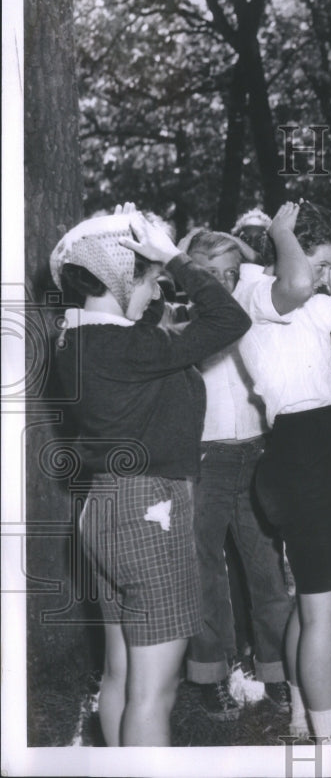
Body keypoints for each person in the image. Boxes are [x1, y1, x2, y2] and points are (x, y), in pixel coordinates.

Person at [51, 207, 251, 745]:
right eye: (147, 280)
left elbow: (149, 318)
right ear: (119, 279)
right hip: (149, 513)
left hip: (104, 507)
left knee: (120, 675)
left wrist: (127, 239)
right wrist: (175, 257)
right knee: (153, 694)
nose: (154, 291)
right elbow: (231, 321)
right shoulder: (132, 346)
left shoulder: (76, 338)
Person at [233, 200, 331, 742]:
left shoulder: (305, 302)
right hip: (300, 447)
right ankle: (330, 742)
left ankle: (304, 715)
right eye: (321, 262)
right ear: (289, 252)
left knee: (309, 598)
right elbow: (297, 283)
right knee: (324, 608)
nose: (325, 275)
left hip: (319, 443)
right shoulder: (258, 293)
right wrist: (284, 234)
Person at [177, 228, 294, 721]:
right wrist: (192, 267)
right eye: (211, 275)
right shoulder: (178, 323)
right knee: (205, 570)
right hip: (203, 458)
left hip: (255, 452)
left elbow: (265, 270)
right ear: (191, 277)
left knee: (267, 567)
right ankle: (210, 675)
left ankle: (276, 673)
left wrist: (238, 256)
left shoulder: (250, 307)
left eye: (230, 273)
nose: (225, 282)